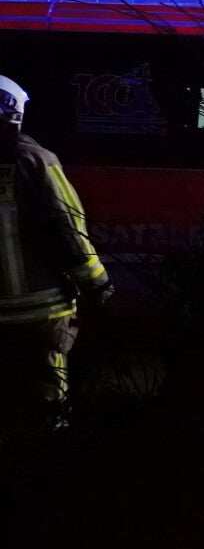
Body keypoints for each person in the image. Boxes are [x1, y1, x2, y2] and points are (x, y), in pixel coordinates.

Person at [0, 74, 111, 430]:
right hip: (41, 315)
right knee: (46, 410)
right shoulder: (37, 161)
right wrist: (99, 285)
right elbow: (69, 229)